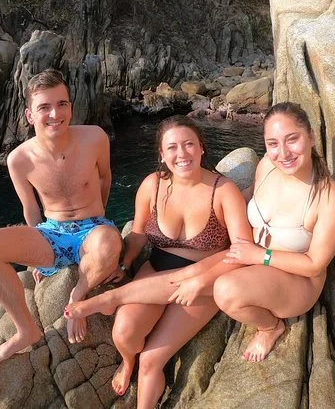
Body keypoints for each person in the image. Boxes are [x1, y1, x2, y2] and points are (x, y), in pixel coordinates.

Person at [65, 115, 252, 407]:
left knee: (151, 360)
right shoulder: (153, 185)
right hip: (156, 269)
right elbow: (138, 233)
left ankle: (112, 304)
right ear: (162, 155)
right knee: (124, 334)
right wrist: (125, 263)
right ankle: (128, 361)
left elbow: (244, 249)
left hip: (200, 284)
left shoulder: (223, 191)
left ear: (201, 148)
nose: (182, 153)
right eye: (172, 147)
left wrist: (202, 280)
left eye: (189, 144)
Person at [0, 69, 122, 367]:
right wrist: (35, 261)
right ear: (30, 115)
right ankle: (25, 330)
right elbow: (30, 209)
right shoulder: (19, 159)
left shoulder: (95, 137)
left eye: (62, 104)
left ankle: (77, 297)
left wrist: (99, 219)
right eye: (44, 107)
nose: (55, 114)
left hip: (93, 228)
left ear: (70, 106)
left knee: (108, 242)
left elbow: (105, 179)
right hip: (51, 232)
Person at [215, 101, 335, 362]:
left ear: (310, 137)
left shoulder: (328, 198)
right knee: (191, 280)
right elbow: (249, 196)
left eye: (292, 139)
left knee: (224, 291)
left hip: (296, 281)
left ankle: (270, 328)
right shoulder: (266, 166)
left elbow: (314, 265)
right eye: (273, 143)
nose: (283, 153)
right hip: (253, 259)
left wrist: (260, 255)